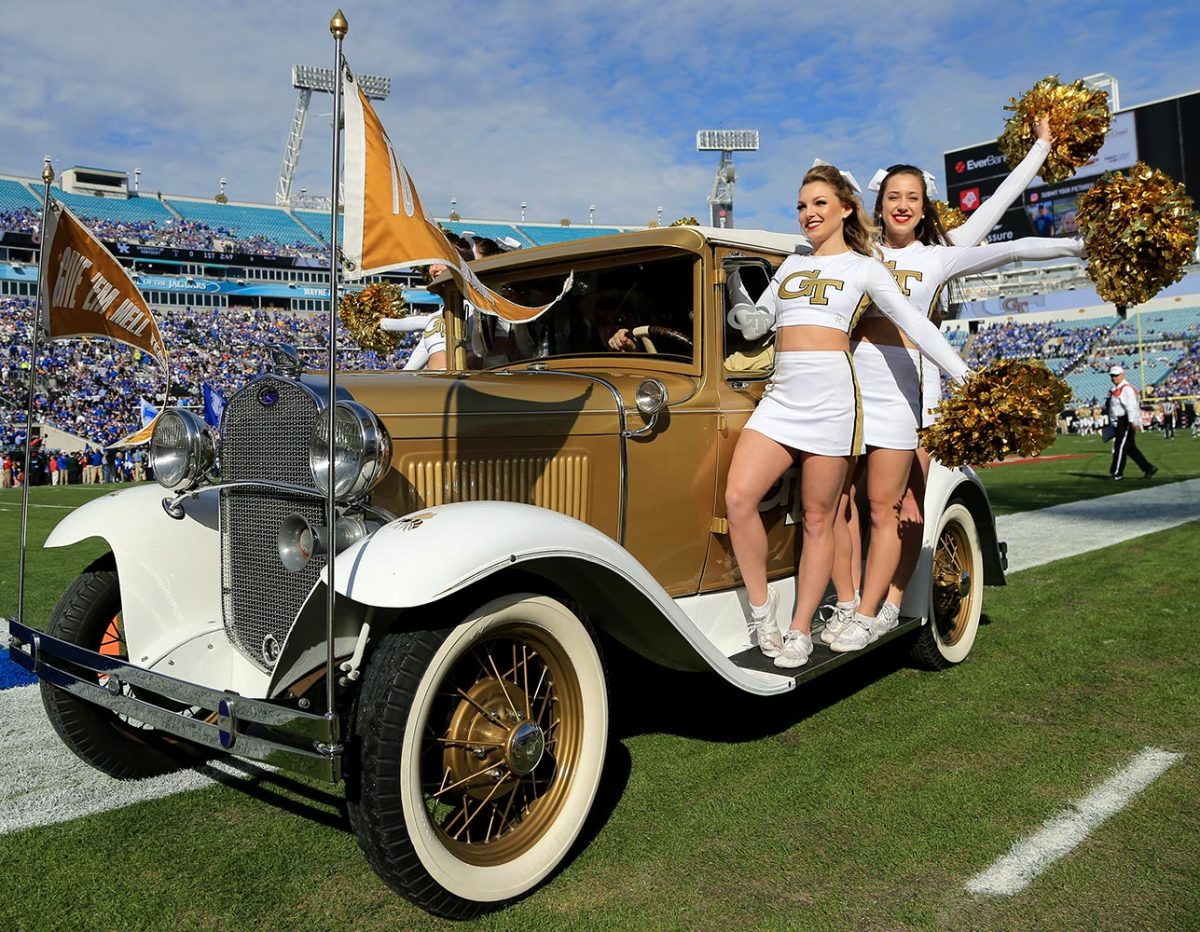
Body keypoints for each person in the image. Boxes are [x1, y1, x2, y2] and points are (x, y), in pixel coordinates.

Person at [825, 117, 1086, 652]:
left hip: (911, 392)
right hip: (850, 386)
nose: (902, 205)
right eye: (893, 196)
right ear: (879, 204)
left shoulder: (939, 254)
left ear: (924, 205)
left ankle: (893, 605)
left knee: (905, 509)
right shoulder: (860, 251)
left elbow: (1006, 229)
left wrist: (1045, 158)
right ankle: (849, 601)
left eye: (912, 197)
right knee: (841, 501)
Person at [724, 162, 969, 670]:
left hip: (834, 400)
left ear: (845, 209)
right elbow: (759, 324)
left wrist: (963, 373)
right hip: (782, 397)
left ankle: (799, 631)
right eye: (801, 205)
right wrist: (743, 306)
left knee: (819, 518)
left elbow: (915, 327)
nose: (808, 214)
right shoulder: (791, 266)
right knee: (738, 498)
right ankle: (761, 613)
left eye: (818, 204)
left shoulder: (864, 267)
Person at [1109, 365, 1157, 480]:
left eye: (1116, 375)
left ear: (1122, 375)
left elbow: (1131, 407)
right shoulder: (1118, 388)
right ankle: (1148, 468)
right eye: (1112, 376)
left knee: (1119, 446)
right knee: (1129, 448)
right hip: (1121, 420)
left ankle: (1117, 473)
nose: (1114, 378)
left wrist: (1131, 422)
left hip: (1125, 420)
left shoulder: (1126, 389)